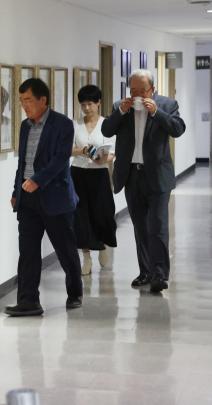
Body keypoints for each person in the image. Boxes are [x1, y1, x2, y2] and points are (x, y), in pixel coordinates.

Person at [102, 69, 185, 293]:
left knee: (158, 226)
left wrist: (156, 112)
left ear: (152, 89)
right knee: (140, 226)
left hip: (157, 175)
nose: (137, 96)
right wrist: (121, 111)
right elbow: (106, 130)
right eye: (133, 91)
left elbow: (178, 129)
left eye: (142, 91)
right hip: (132, 175)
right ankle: (145, 271)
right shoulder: (121, 107)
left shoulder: (167, 105)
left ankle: (160, 275)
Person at [4, 78, 83, 317]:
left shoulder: (63, 124)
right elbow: (23, 163)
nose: (24, 105)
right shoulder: (25, 126)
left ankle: (75, 292)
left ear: (43, 100)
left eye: (28, 100)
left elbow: (61, 159)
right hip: (28, 199)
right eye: (21, 101)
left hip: (55, 197)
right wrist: (16, 192)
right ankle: (28, 301)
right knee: (27, 251)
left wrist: (37, 179)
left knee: (65, 249)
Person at [71, 85, 118, 276]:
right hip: (78, 173)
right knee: (80, 216)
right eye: (83, 104)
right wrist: (83, 150)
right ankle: (86, 258)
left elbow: (113, 151)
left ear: (99, 103)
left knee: (103, 214)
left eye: (90, 104)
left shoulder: (107, 124)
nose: (86, 108)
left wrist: (103, 160)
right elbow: (67, 149)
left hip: (99, 174)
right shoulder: (75, 124)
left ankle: (103, 245)